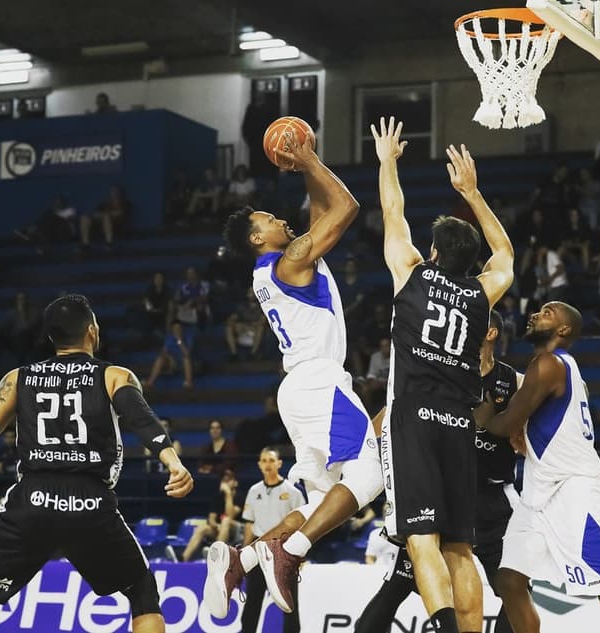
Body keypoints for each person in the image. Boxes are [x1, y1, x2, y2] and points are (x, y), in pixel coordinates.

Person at [0, 294, 193, 633]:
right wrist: (172, 462)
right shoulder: (113, 375)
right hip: (92, 502)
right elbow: (141, 418)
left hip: (32, 501)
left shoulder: (19, 378)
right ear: (92, 330)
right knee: (142, 595)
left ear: (51, 338)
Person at [205, 128, 383, 618]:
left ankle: (240, 557)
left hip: (299, 390)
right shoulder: (290, 262)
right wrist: (307, 162)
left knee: (325, 498)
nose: (280, 218)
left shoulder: (278, 267)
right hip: (321, 384)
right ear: (257, 238)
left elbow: (321, 211)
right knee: (371, 472)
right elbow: (346, 208)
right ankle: (290, 551)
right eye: (268, 218)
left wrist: (309, 164)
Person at [373, 117, 514, 633]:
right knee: (460, 545)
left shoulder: (410, 272)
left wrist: (388, 161)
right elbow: (507, 256)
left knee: (420, 539)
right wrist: (473, 194)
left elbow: (393, 209)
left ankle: (445, 627)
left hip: (415, 414)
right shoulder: (483, 291)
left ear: (433, 253)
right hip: (459, 420)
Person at [482, 301, 600, 633]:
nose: (536, 314)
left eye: (547, 312)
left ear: (564, 330)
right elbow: (535, 419)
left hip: (574, 490)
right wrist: (523, 430)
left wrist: (480, 413)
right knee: (509, 580)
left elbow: (503, 424)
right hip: (540, 489)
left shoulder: (549, 365)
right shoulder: (564, 369)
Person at [356, 310, 524, 633]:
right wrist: (364, 459)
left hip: (491, 500)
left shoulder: (512, 380)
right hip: (442, 495)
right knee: (397, 585)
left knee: (516, 591)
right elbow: (391, 415)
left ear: (490, 333)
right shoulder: (444, 372)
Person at [237, 448, 305, 633]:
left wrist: (300, 556)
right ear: (259, 464)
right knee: (253, 599)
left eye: (271, 460)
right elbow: (249, 524)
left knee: (288, 600)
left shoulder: (292, 491)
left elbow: (302, 526)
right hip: (259, 549)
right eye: (264, 460)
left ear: (279, 463)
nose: (267, 464)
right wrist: (244, 553)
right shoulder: (254, 490)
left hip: (284, 550)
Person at [182, 470, 244, 562]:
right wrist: (216, 526)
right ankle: (183, 558)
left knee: (226, 520)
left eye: (229, 480)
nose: (226, 483)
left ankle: (215, 556)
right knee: (202, 528)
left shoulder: (240, 496)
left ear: (235, 482)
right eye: (224, 481)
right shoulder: (218, 498)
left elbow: (230, 515)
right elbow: (211, 519)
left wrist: (228, 495)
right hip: (220, 529)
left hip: (237, 530)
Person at [144, 320, 194, 389]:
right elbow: (163, 352)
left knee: (186, 359)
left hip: (186, 363)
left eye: (178, 328)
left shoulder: (188, 337)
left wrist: (179, 340)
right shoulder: (169, 338)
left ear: (181, 329)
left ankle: (189, 383)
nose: (177, 330)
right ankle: (150, 382)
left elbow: (187, 353)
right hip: (173, 362)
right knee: (160, 359)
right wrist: (169, 357)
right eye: (175, 329)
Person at [80, 185, 133, 250]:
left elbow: (121, 214)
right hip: (100, 225)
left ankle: (109, 243)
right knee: (84, 218)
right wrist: (101, 215)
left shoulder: (126, 204)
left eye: (115, 191)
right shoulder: (104, 204)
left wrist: (107, 215)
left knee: (106, 217)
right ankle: (85, 244)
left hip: (117, 226)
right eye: (112, 191)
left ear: (120, 193)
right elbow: (95, 214)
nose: (114, 193)